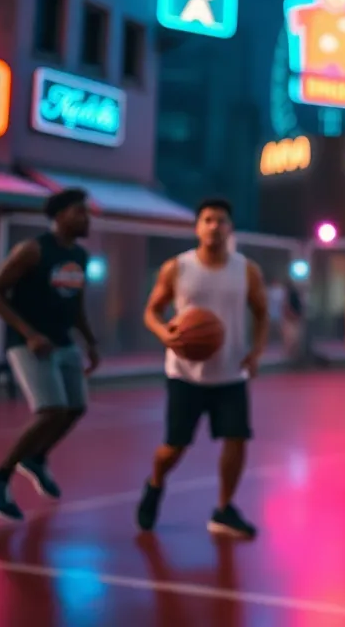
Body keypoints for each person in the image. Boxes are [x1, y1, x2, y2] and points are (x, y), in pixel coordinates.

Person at [137, 198, 268, 539]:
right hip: (185, 374)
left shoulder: (246, 270)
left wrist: (256, 353)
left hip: (230, 373)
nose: (214, 226)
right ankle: (154, 483)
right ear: (197, 227)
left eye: (221, 220)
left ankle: (224, 510)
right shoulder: (177, 268)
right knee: (174, 448)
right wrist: (164, 332)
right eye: (207, 220)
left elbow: (263, 312)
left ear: (230, 228)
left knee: (237, 440)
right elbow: (151, 311)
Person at [0, 188, 99, 520]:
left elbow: (76, 302)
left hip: (64, 342)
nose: (86, 218)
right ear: (59, 216)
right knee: (51, 410)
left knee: (75, 409)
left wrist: (90, 341)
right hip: (28, 343)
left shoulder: (81, 256)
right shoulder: (32, 250)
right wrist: (29, 333)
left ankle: (36, 458)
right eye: (79, 212)